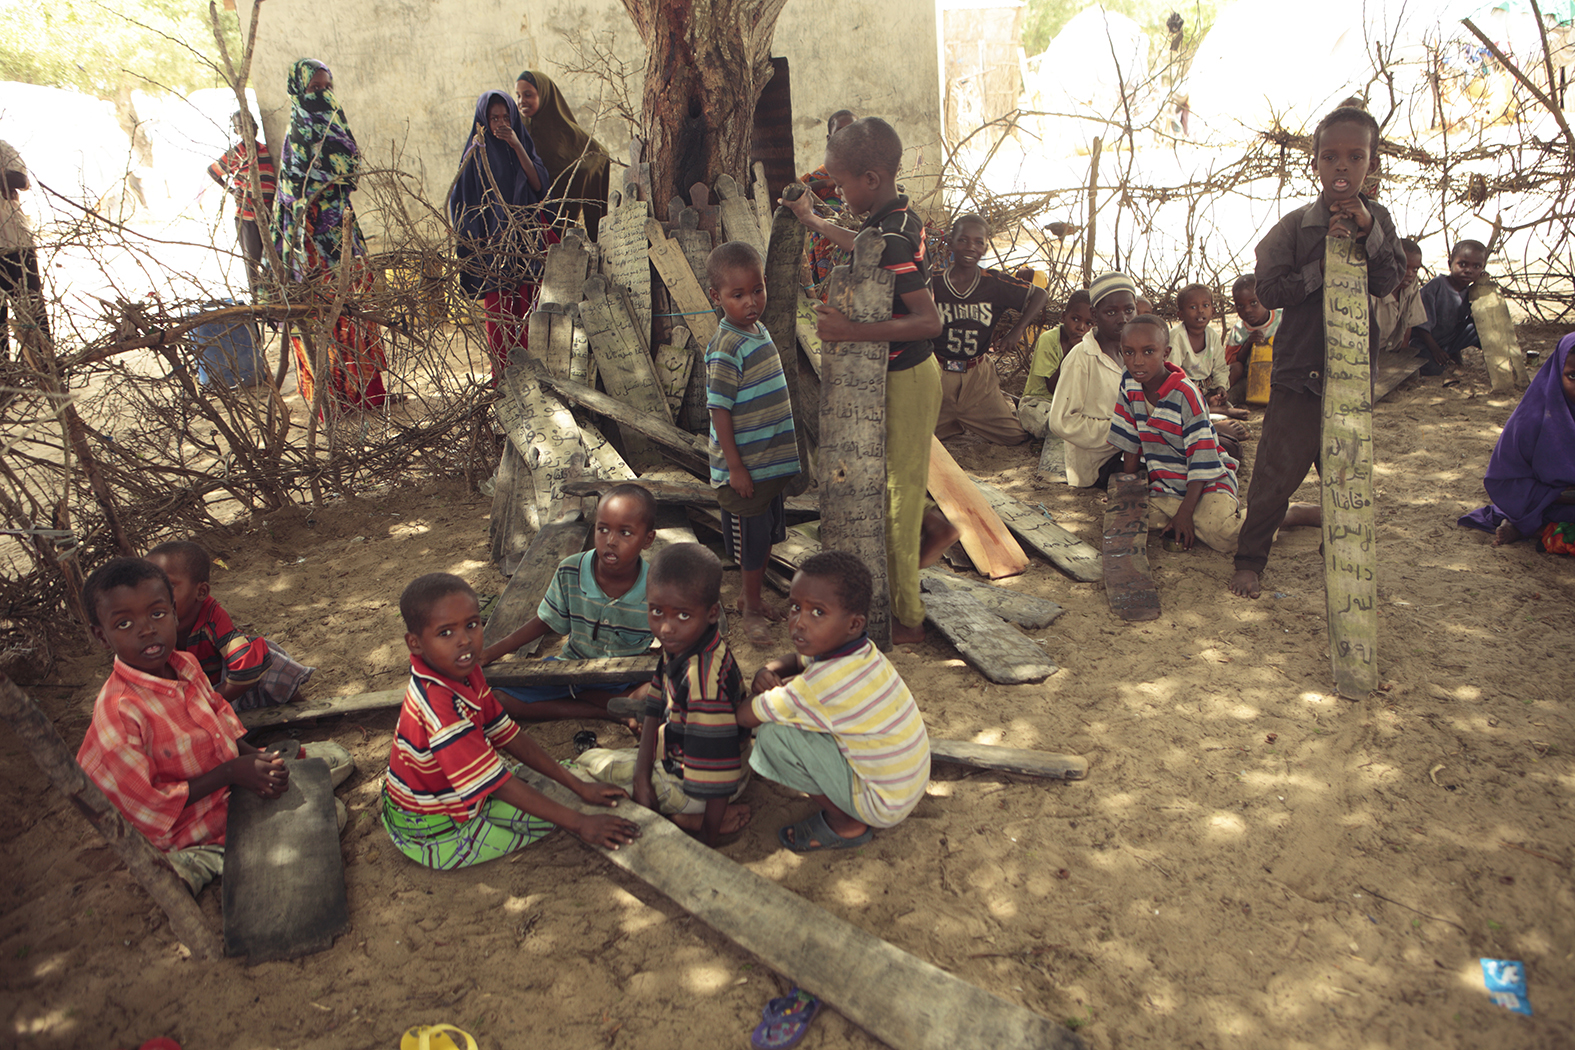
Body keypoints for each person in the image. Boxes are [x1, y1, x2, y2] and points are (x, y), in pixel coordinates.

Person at [1229, 105, 1405, 599]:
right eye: (1330, 157)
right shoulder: (1294, 228)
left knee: (1346, 474)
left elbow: (1390, 279)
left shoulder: (1380, 220)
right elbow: (1270, 289)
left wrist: (1369, 231)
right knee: (1275, 473)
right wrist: (1322, 267)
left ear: (1371, 162)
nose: (1342, 167)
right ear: (1316, 164)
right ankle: (1250, 561)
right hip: (1297, 375)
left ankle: (1344, 558)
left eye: (1355, 156)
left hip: (1351, 376)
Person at [781, 117, 943, 646]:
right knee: (893, 488)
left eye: (842, 182)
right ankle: (914, 571)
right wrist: (815, 221)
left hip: (909, 376)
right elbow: (866, 244)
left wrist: (852, 329)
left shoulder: (894, 237)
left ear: (870, 179)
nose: (839, 192)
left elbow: (929, 320)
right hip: (896, 375)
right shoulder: (895, 218)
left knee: (897, 495)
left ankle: (908, 619)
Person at [381, 573, 641, 870]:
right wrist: (580, 823)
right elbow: (496, 784)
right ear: (414, 643)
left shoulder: (464, 671)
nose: (465, 641)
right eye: (445, 633)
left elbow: (506, 733)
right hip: (433, 823)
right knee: (560, 818)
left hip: (459, 790)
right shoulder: (440, 709)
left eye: (472, 624)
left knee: (570, 792)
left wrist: (576, 787)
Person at [75, 557, 290, 895]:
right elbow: (148, 808)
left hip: (222, 788)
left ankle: (234, 835)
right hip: (172, 828)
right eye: (124, 624)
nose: (146, 629)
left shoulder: (186, 664)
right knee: (311, 820)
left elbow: (220, 721)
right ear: (102, 638)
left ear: (174, 613)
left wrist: (260, 760)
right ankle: (197, 860)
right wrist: (232, 773)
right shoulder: (119, 713)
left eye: (157, 614)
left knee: (327, 763)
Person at [738, 551, 929, 853]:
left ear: (853, 624)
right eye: (795, 607)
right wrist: (769, 670)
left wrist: (757, 693)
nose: (799, 622)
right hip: (905, 785)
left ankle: (846, 824)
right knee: (801, 718)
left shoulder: (821, 685)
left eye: (817, 613)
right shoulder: (861, 651)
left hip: (881, 803)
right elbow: (799, 661)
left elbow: (746, 717)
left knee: (774, 736)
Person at [573, 544, 752, 846]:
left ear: (712, 613)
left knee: (583, 776)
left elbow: (717, 778)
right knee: (598, 762)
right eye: (656, 611)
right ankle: (661, 794)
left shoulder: (704, 685)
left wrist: (708, 834)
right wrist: (643, 777)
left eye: (683, 615)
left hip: (702, 790)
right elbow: (655, 701)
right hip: (691, 762)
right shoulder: (685, 643)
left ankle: (681, 819)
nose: (666, 628)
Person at [1109, 316, 1317, 553]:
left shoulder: (1186, 394)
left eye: (1148, 352)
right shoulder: (1128, 381)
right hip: (1167, 484)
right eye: (1128, 352)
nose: (1137, 362)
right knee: (1133, 520)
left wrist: (1186, 513)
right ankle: (1189, 518)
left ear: (1166, 353)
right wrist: (1128, 495)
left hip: (1207, 482)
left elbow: (1202, 459)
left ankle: (1290, 513)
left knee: (1223, 535)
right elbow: (1130, 441)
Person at [482, 483, 659, 722]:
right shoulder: (571, 570)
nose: (611, 541)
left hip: (624, 679)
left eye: (625, 533)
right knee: (498, 701)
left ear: (648, 540)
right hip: (571, 670)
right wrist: (490, 653)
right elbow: (545, 621)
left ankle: (607, 701)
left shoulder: (657, 589)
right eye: (603, 529)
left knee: (659, 694)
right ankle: (608, 711)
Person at [273, 58, 388, 412]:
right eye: (314, 89)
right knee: (319, 315)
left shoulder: (338, 127)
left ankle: (363, 395)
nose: (322, 96)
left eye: (327, 88)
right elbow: (294, 195)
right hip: (309, 245)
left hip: (344, 235)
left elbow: (349, 172)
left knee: (353, 310)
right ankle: (331, 399)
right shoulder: (296, 136)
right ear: (298, 90)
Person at [704, 240, 801, 644]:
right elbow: (719, 411)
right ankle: (751, 608)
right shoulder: (725, 348)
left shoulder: (757, 330)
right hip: (745, 469)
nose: (751, 302)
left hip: (768, 465)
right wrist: (736, 467)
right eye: (737, 295)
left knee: (764, 537)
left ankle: (751, 601)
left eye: (757, 290)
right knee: (749, 543)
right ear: (717, 297)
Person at [449, 90, 550, 383]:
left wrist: (516, 144)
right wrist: (481, 245)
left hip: (527, 248)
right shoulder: (474, 155)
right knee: (502, 323)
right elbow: (464, 205)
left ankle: (538, 383)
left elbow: (538, 185)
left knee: (531, 318)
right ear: (483, 121)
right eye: (494, 118)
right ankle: (506, 385)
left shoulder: (523, 146)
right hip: (496, 256)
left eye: (506, 117)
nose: (501, 124)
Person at [145, 540, 314, 711]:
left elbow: (247, 665)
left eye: (169, 585)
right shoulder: (147, 625)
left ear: (201, 592)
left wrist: (211, 702)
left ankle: (298, 709)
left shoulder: (211, 616)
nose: (155, 595)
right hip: (187, 702)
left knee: (262, 653)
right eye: (148, 587)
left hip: (228, 693)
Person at [930, 213, 1046, 445]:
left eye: (978, 242)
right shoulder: (933, 282)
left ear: (985, 247)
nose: (970, 247)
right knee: (921, 439)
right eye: (963, 240)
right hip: (937, 373)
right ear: (951, 242)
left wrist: (1017, 331)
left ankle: (975, 414)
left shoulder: (994, 283)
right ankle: (952, 422)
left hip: (978, 377)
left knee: (1014, 437)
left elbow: (1040, 294)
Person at [1459, 333, 1575, 550]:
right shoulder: (1532, 418)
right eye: (1573, 376)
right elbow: (1502, 482)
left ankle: (1531, 529)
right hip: (1543, 504)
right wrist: (1555, 495)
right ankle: (1533, 528)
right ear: (1556, 374)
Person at [1048, 271, 1138, 488]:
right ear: (1095, 315)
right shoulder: (1082, 357)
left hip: (1134, 447)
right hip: (1099, 462)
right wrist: (1123, 433)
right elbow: (1061, 421)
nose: (1123, 319)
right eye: (1111, 312)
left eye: (1129, 310)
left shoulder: (1134, 352)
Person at [515, 71, 612, 239]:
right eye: (518, 96)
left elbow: (599, 155)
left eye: (528, 95)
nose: (521, 101)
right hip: (526, 224)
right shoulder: (518, 132)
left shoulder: (566, 132)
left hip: (560, 224)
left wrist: (579, 180)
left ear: (544, 95)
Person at [206, 111, 276, 298]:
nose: (247, 130)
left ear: (256, 127)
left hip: (268, 215)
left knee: (272, 262)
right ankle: (258, 303)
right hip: (247, 217)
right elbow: (212, 171)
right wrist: (231, 190)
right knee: (252, 263)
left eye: (250, 125)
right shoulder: (236, 154)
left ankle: (272, 300)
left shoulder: (266, 150)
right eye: (241, 127)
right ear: (237, 130)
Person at [1017, 289, 1092, 438]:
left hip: (1068, 405)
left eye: (1088, 323)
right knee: (1042, 417)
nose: (1081, 327)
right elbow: (1053, 388)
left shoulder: (1090, 344)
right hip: (1041, 402)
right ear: (1064, 317)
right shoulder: (1049, 340)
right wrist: (1071, 352)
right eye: (1075, 319)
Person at [0, 139, 49, 365]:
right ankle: (7, 382)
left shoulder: (2, 147)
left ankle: (46, 369)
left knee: (32, 312)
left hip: (15, 243)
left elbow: (21, 180)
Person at [799, 109, 857, 294]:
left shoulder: (866, 178)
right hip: (825, 265)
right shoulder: (819, 177)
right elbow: (794, 188)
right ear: (829, 139)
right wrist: (828, 183)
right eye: (840, 132)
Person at [1411, 239, 1486, 375]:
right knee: (1434, 368)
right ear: (1450, 264)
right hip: (1424, 341)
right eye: (1462, 264)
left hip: (1448, 340)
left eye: (1476, 267)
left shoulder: (1470, 290)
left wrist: (1484, 283)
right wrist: (1435, 349)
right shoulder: (1436, 286)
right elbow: (1420, 324)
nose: (1468, 270)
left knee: (1483, 329)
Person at [1224, 274, 1282, 405]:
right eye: (1240, 306)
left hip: (1280, 375)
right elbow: (1233, 364)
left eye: (1253, 303)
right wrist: (1248, 343)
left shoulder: (1282, 319)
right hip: (1250, 378)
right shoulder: (1238, 331)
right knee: (1231, 397)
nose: (1248, 310)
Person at [1371, 237, 1425, 355]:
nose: (1410, 274)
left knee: (1414, 372)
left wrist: (1401, 357)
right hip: (1369, 351)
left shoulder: (1411, 284)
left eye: (1415, 269)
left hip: (1392, 349)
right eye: (1404, 267)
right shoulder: (1372, 290)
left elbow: (1408, 324)